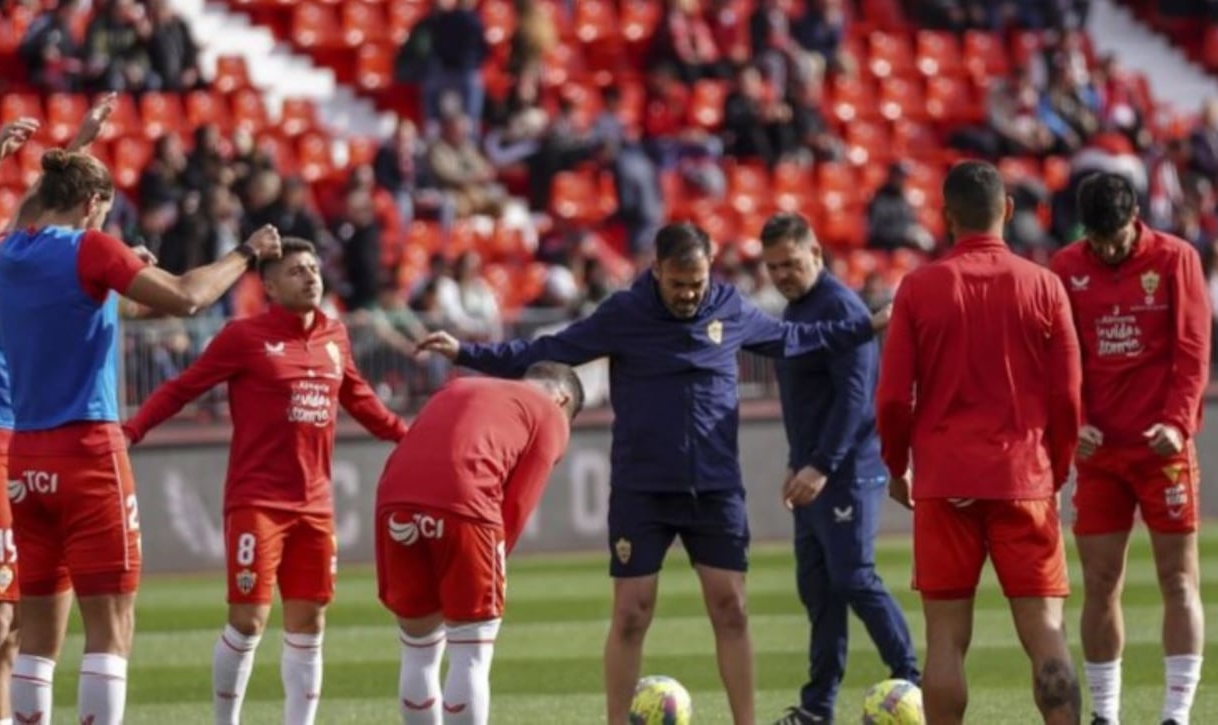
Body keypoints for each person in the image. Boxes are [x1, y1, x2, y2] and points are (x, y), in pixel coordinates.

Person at [418, 221, 890, 725]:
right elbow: (548, 350)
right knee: (631, 613)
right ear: (657, 270)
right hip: (642, 489)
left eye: (696, 283)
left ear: (710, 269)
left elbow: (797, 338)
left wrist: (867, 326)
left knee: (731, 609)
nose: (688, 293)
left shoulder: (730, 308)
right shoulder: (625, 313)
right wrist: (467, 353)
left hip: (715, 488)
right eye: (678, 283)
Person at [0, 148, 282, 725]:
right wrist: (247, 252)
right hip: (88, 452)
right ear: (91, 204)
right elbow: (189, 296)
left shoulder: (9, 253)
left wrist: (121, 279)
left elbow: (77, 307)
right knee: (111, 625)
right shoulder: (92, 248)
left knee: (37, 639)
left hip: (25, 457)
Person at [121, 237, 409, 725]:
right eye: (296, 271)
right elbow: (182, 387)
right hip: (258, 502)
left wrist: (411, 439)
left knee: (309, 623)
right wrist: (131, 430)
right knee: (248, 621)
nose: (310, 277)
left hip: (315, 505)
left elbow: (363, 402)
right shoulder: (244, 337)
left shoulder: (335, 336)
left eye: (313, 268)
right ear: (270, 288)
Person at [876, 160, 1083, 725]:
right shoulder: (1044, 284)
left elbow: (892, 398)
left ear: (946, 216)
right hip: (1024, 477)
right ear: (1008, 210)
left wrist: (896, 465)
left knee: (945, 639)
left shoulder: (919, 287)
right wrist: (1058, 468)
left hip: (945, 480)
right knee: (1046, 633)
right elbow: (1068, 395)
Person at [0, 97, 114, 725]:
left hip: (19, 445)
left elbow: (50, 207)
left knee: (14, 627)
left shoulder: (25, 263)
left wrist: (80, 146)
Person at [1049, 172, 1209, 725]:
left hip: (1162, 450)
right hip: (1099, 456)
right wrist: (1076, 422)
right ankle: (1106, 715)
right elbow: (1061, 357)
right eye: (1096, 241)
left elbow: (1192, 349)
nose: (1107, 250)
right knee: (1099, 582)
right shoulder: (1065, 268)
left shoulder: (1176, 259)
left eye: (1114, 240)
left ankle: (1176, 714)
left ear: (1135, 217)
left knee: (1178, 579)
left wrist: (1178, 424)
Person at [758, 213, 919, 725]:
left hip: (847, 469)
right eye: (773, 266)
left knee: (853, 576)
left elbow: (855, 399)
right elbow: (807, 402)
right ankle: (817, 707)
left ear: (816, 254)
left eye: (790, 263)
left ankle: (912, 682)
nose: (781, 274)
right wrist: (796, 463)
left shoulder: (840, 307)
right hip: (814, 472)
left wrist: (821, 465)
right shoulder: (798, 309)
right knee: (819, 590)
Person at [374, 363, 584, 725]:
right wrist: (493, 560)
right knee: (470, 652)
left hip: (394, 501)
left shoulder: (459, 386)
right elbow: (517, 505)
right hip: (466, 506)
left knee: (418, 651)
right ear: (562, 398)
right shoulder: (550, 412)